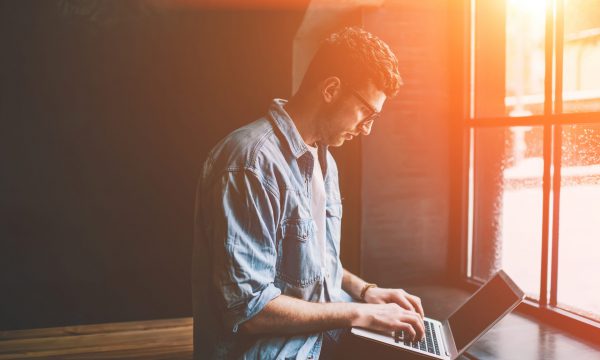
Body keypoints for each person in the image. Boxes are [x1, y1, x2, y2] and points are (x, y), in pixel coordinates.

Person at [192, 26, 425, 360]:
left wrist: (366, 292)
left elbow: (312, 261)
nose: (368, 129)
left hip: (319, 339)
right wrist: (359, 313)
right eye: (367, 112)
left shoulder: (322, 156)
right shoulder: (250, 164)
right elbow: (249, 309)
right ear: (331, 89)